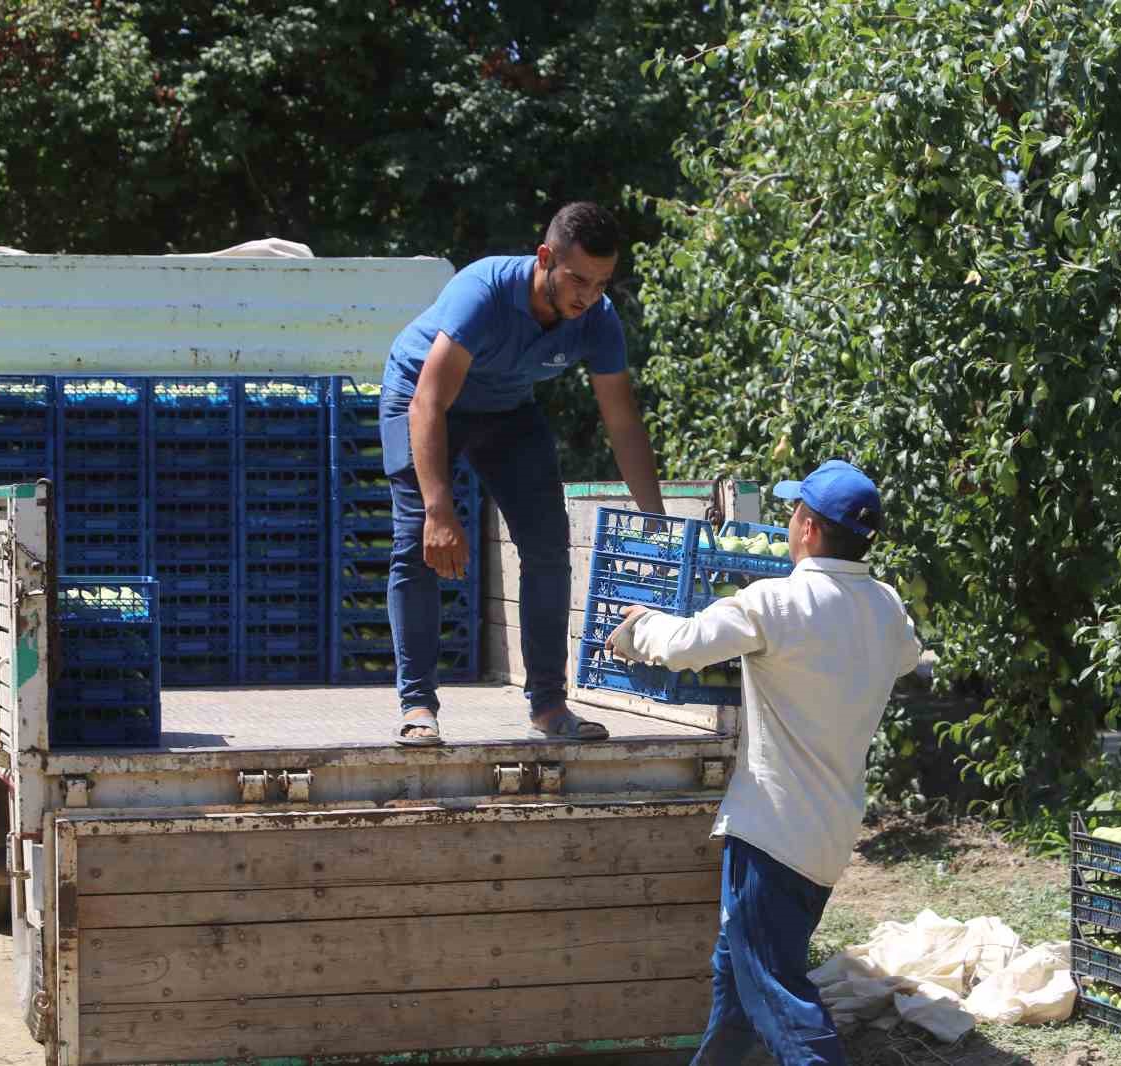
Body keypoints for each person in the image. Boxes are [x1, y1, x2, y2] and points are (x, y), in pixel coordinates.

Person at [606, 459, 923, 1066]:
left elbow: (683, 646)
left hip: (771, 838)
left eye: (793, 511)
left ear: (806, 527)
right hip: (828, 837)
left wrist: (639, 628)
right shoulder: (886, 608)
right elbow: (907, 655)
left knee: (781, 1001)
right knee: (738, 982)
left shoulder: (775, 602)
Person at [379, 201, 665, 746]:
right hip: (421, 397)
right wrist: (440, 510)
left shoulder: (597, 320)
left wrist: (655, 520)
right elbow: (428, 404)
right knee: (418, 541)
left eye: (601, 283)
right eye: (578, 279)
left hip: (507, 410)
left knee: (549, 547)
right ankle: (418, 704)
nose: (588, 296)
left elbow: (623, 424)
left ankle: (549, 705)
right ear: (545, 258)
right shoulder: (483, 292)